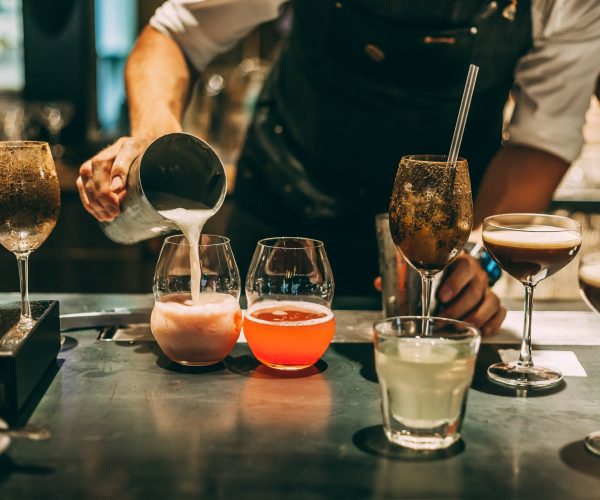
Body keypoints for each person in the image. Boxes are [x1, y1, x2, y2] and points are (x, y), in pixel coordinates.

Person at [77, 0, 600, 335]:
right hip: (285, 209)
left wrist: (478, 260)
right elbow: (174, 34)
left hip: (433, 244)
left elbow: (540, 140)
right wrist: (152, 133)